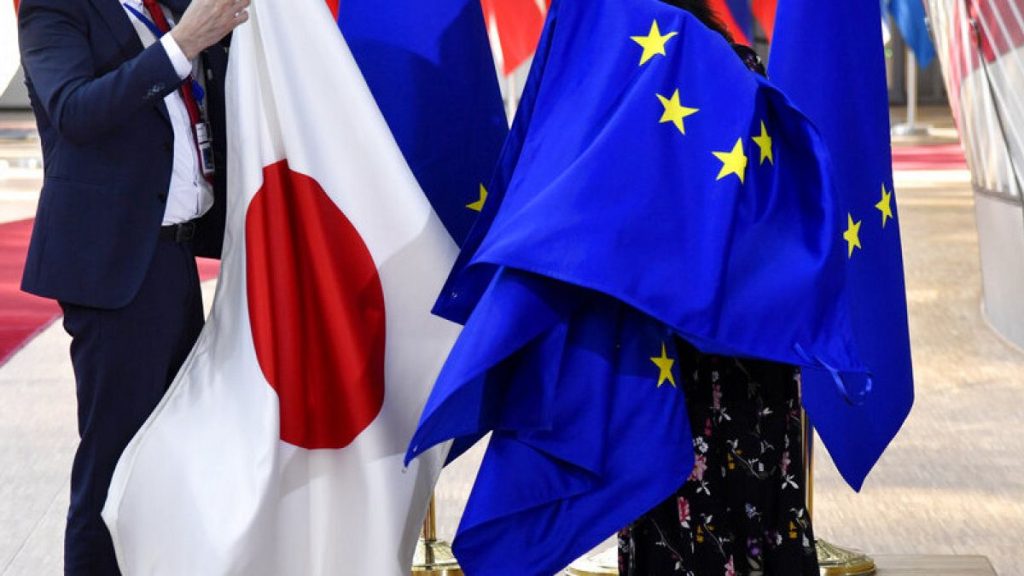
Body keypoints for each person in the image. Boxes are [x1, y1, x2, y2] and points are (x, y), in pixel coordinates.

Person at [17, 0, 248, 573]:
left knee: (166, 454)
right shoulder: (54, 8)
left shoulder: (163, 5)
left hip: (169, 256)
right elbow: (73, 110)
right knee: (115, 462)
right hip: (112, 263)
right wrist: (182, 45)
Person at [617, 2, 820, 575]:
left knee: (672, 506)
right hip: (754, 330)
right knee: (761, 505)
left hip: (673, 341)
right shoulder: (740, 67)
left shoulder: (642, 81)